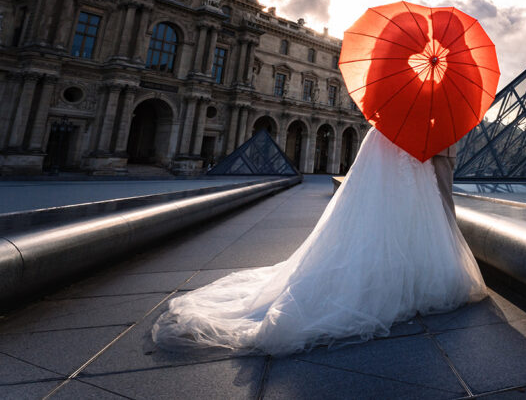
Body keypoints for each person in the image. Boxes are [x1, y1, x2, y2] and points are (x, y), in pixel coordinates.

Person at [151, 127, 487, 356]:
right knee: (409, 224)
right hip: (415, 164)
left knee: (380, 228)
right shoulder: (425, 110)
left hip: (398, 166)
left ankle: (390, 277)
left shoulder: (387, 113)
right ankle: (409, 278)